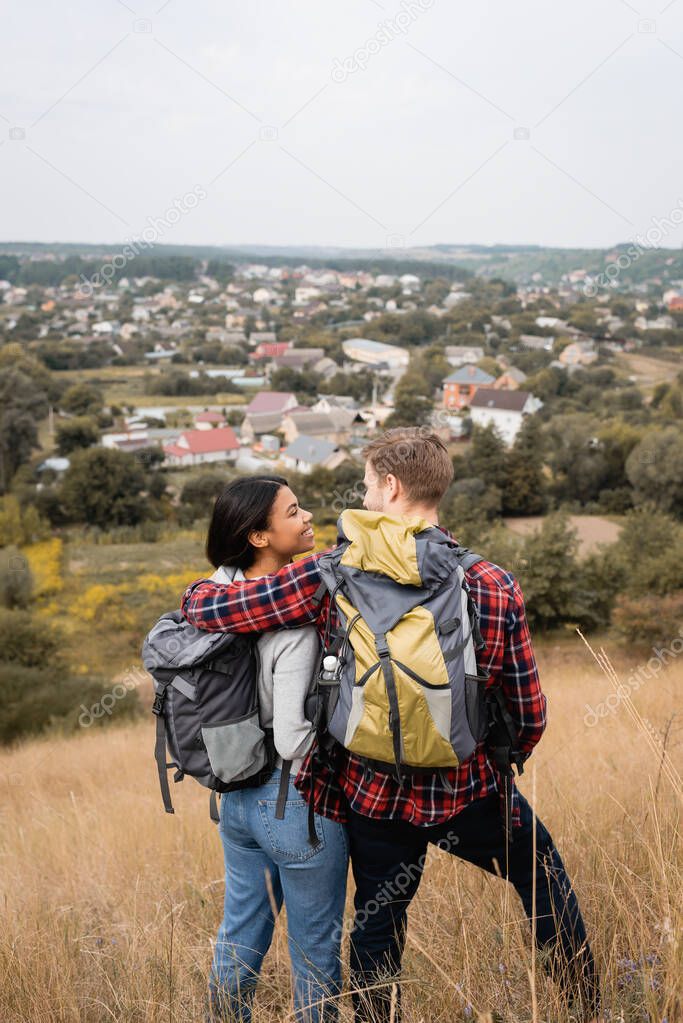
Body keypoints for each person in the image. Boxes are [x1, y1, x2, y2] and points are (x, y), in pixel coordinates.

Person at [183, 432, 601, 1023]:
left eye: (367, 482)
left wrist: (201, 589)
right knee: (541, 878)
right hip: (470, 789)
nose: (364, 494)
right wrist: (491, 761)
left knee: (379, 923)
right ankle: (587, 1005)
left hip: (373, 795)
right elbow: (529, 713)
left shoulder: (330, 573)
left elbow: (216, 610)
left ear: (391, 486)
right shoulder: (490, 582)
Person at [203, 476, 349, 1023]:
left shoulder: (218, 598)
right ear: (260, 536)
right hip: (294, 804)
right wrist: (340, 740)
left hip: (235, 801)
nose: (308, 515)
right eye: (293, 511)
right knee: (315, 954)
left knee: (239, 934)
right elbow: (291, 738)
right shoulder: (293, 623)